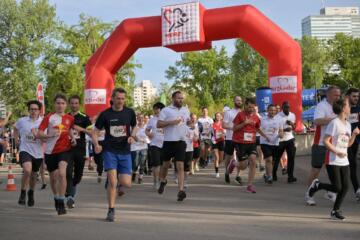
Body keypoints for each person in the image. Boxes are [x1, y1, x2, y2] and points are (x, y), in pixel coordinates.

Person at [307, 98, 359, 220]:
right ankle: (317, 185)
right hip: (332, 159)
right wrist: (337, 152)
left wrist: (354, 135)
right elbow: (325, 141)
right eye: (348, 106)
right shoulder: (334, 123)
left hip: (344, 160)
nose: (350, 108)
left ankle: (335, 211)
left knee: (345, 187)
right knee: (337, 187)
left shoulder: (348, 124)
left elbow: (348, 144)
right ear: (342, 108)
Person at [92, 88, 137, 222]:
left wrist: (132, 136)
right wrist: (96, 144)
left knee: (126, 183)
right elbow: (95, 131)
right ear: (112, 98)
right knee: (112, 182)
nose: (121, 101)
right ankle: (111, 210)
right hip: (110, 150)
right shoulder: (105, 114)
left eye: (123, 98)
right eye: (118, 98)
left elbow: (134, 126)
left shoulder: (130, 112)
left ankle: (118, 184)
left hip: (125, 151)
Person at [37, 93, 77, 215]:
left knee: (62, 173)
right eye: (58, 103)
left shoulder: (70, 118)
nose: (60, 105)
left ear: (66, 105)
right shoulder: (49, 117)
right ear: (55, 104)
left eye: (63, 103)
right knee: (53, 179)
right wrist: (49, 135)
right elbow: (39, 133)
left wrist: (73, 138)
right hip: (50, 151)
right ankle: (56, 197)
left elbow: (69, 129)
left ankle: (61, 200)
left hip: (65, 150)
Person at [305, 86, 341, 205]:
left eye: (339, 95)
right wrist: (334, 119)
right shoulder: (322, 106)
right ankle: (309, 194)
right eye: (336, 95)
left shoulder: (340, 106)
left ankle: (330, 192)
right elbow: (317, 121)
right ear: (328, 95)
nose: (338, 97)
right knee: (316, 170)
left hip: (334, 144)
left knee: (333, 171)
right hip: (320, 143)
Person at [157, 91, 190, 201]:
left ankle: (180, 191)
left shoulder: (186, 110)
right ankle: (163, 181)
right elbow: (159, 124)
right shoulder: (166, 110)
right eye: (178, 98)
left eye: (182, 98)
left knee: (180, 166)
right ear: (173, 98)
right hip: (168, 142)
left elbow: (187, 122)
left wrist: (190, 124)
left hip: (181, 142)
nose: (180, 100)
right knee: (165, 165)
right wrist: (172, 122)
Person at [232, 97, 269, 193]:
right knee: (243, 166)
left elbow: (257, 128)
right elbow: (234, 129)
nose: (251, 109)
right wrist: (244, 123)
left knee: (253, 160)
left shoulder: (256, 117)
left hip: (251, 142)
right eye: (249, 107)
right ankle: (234, 163)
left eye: (252, 107)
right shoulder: (240, 115)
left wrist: (265, 136)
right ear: (245, 106)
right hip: (240, 143)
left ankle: (250, 185)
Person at [14, 100, 43, 207]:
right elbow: (15, 128)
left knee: (34, 175)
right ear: (28, 110)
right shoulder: (22, 120)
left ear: (39, 111)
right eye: (31, 109)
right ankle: (23, 192)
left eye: (36, 109)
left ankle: (31, 192)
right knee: (27, 170)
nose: (33, 111)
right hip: (25, 149)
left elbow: (46, 136)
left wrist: (40, 136)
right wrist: (16, 139)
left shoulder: (43, 122)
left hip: (38, 152)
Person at [66, 95, 92, 209]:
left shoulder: (85, 117)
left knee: (78, 176)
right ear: (69, 104)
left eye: (76, 103)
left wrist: (81, 129)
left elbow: (91, 133)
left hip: (80, 149)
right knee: (67, 172)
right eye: (72, 103)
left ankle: (71, 189)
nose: (74, 105)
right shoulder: (64, 117)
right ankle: (70, 196)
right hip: (66, 149)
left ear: (79, 104)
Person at [274, 101, 297, 183]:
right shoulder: (277, 117)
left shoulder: (292, 115)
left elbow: (294, 127)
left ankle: (290, 177)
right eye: (286, 107)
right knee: (277, 158)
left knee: (291, 158)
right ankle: (274, 174)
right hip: (280, 140)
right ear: (282, 108)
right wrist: (284, 129)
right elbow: (275, 130)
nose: (287, 109)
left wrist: (291, 124)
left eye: (288, 107)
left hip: (290, 138)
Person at [260, 104, 283, 184]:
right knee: (269, 159)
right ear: (267, 110)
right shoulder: (263, 119)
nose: (272, 112)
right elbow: (259, 129)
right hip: (265, 142)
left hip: (275, 143)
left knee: (272, 161)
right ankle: (270, 176)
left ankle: (266, 174)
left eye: (274, 110)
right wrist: (265, 136)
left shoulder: (279, 120)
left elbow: (281, 130)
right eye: (271, 110)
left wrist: (281, 134)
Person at [146, 102, 165, 189]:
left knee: (163, 165)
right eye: (154, 109)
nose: (155, 111)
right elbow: (146, 130)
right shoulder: (152, 120)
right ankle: (156, 181)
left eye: (157, 109)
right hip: (154, 144)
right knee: (156, 164)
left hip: (165, 144)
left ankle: (161, 179)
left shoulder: (166, 119)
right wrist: (148, 134)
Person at [223, 96, 242, 184]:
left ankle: (238, 176)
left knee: (240, 157)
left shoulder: (243, 113)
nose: (239, 102)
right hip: (230, 138)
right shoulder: (228, 112)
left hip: (240, 139)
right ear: (234, 101)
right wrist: (233, 128)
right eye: (237, 100)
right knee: (228, 157)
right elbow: (224, 125)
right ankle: (227, 173)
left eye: (240, 101)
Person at [345, 88, 360, 201]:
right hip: (344, 142)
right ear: (348, 96)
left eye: (357, 96)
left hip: (356, 140)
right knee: (351, 165)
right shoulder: (343, 108)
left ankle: (357, 190)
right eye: (354, 96)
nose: (356, 98)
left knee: (353, 165)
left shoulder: (358, 108)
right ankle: (357, 190)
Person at [131, 114, 149, 184]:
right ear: (137, 119)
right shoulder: (135, 127)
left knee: (142, 162)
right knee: (136, 162)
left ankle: (140, 177)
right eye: (139, 118)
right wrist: (139, 140)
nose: (141, 119)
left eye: (142, 118)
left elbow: (150, 135)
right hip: (136, 147)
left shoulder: (146, 127)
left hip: (144, 147)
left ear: (144, 119)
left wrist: (148, 140)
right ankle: (134, 173)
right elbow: (133, 135)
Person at [212, 112, 225, 178]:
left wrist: (223, 134)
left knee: (221, 159)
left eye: (219, 116)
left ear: (221, 117)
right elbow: (211, 134)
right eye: (217, 116)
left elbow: (225, 132)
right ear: (215, 117)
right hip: (215, 142)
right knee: (217, 157)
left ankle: (216, 165)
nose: (218, 117)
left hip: (222, 141)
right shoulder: (212, 125)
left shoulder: (223, 124)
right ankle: (217, 172)